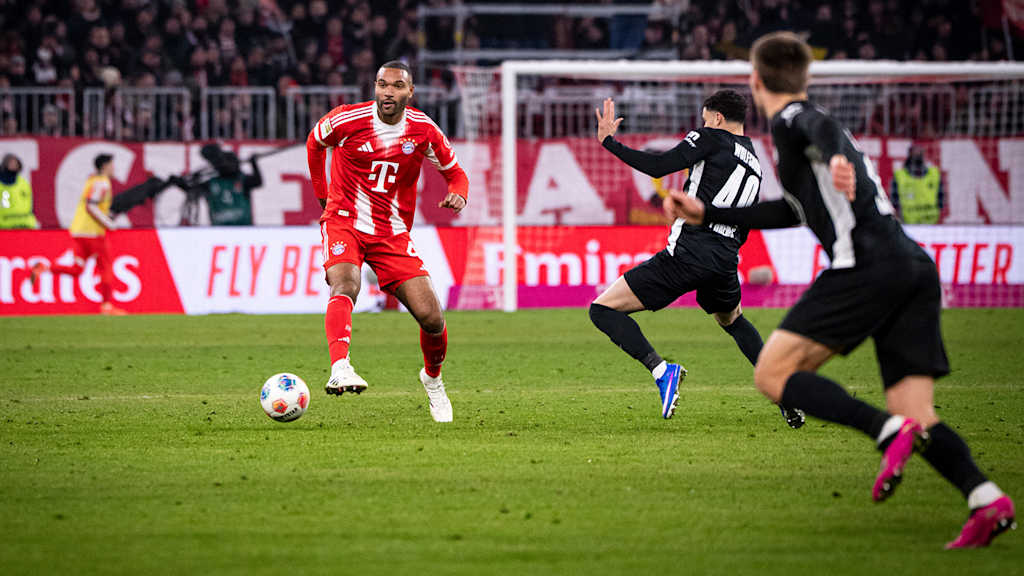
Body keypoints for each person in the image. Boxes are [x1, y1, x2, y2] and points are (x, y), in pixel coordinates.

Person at [668, 31, 1014, 548]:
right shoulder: (816, 134)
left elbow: (815, 124)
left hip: (865, 267)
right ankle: (987, 500)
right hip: (912, 266)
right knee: (918, 412)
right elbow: (793, 209)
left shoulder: (793, 120)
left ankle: (884, 433)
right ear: (804, 75)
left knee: (773, 373)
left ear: (756, 81)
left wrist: (835, 157)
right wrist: (710, 212)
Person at [590, 89, 804, 429]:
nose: (702, 125)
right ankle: (783, 391)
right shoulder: (753, 159)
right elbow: (744, 218)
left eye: (705, 119)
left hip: (690, 252)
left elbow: (660, 166)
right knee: (732, 320)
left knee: (601, 309)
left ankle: (663, 371)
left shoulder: (710, 136)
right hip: (725, 259)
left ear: (716, 118)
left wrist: (609, 143)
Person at [306, 60, 468, 423]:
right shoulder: (349, 119)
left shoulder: (423, 130)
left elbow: (456, 174)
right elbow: (315, 142)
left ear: (410, 92)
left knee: (431, 317)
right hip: (344, 220)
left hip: (391, 233)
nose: (387, 92)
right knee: (345, 283)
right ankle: (340, 366)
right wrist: (323, 195)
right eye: (381, 85)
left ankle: (433, 380)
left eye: (396, 86)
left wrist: (459, 194)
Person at [31, 154, 126, 315]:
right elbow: (91, 207)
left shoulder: (92, 180)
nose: (114, 168)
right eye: (111, 164)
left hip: (79, 231)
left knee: (77, 269)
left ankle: (44, 268)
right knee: (106, 267)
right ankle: (107, 306)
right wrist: (109, 223)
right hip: (93, 233)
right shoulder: (102, 182)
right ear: (104, 166)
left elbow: (92, 205)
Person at [890, 143, 943, 225]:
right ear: (909, 154)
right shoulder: (899, 176)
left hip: (931, 224)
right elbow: (894, 203)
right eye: (915, 151)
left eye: (920, 151)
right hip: (908, 225)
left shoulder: (934, 174)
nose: (917, 154)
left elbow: (941, 200)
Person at [0, 154, 40, 229]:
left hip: (25, 224)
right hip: (4, 225)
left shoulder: (23, 183)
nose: (13, 166)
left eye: (16, 164)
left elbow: (31, 204)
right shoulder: (2, 184)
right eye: (11, 163)